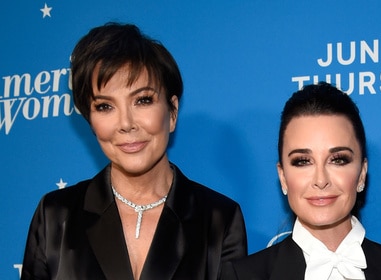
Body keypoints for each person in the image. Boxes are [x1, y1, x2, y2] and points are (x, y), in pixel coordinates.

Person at [22, 22, 247, 280]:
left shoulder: (218, 219)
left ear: (172, 112)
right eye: (105, 107)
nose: (126, 123)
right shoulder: (55, 216)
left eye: (143, 100)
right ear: (91, 121)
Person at [221, 82, 381, 280]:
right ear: (282, 177)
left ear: (361, 174)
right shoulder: (243, 275)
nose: (320, 180)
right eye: (303, 161)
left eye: (338, 159)